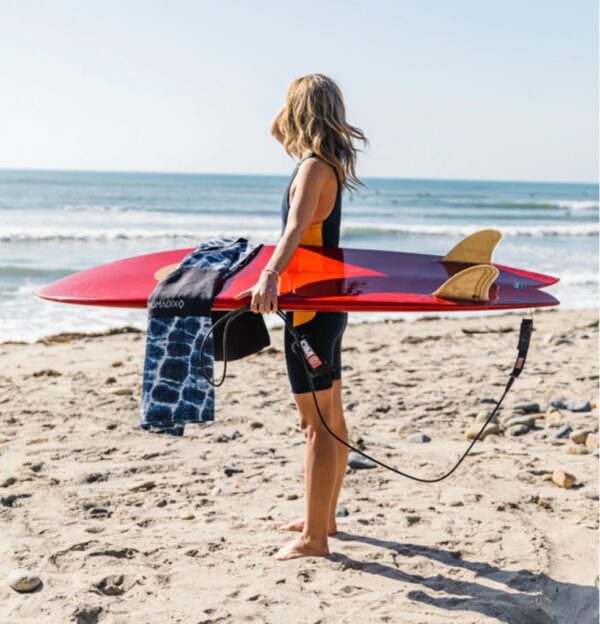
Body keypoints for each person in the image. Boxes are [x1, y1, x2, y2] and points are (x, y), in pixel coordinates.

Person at [235, 74, 368, 560]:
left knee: (315, 426)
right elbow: (278, 129)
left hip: (309, 309)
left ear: (301, 112)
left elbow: (293, 230)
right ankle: (324, 518)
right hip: (327, 306)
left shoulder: (312, 169)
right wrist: (302, 102)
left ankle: (314, 539)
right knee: (331, 417)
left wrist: (268, 275)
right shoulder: (324, 163)